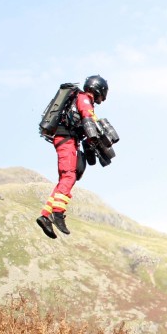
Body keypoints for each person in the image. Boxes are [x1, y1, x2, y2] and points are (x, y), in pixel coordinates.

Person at [36, 74, 109, 238]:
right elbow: (87, 117)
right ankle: (58, 213)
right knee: (69, 176)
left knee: (63, 179)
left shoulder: (78, 98)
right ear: (98, 90)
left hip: (66, 139)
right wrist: (95, 136)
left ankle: (46, 215)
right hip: (66, 140)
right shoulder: (84, 99)